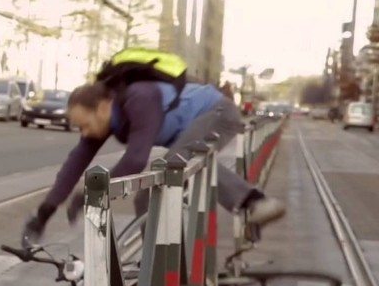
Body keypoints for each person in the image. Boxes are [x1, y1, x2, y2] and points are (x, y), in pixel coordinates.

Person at [23, 80, 286, 244]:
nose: (85, 133)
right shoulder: (104, 121)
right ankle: (163, 270)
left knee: (168, 171)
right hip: (192, 128)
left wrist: (89, 195)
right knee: (147, 195)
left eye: (85, 125)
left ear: (103, 107)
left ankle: (255, 203)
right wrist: (44, 212)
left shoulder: (139, 98)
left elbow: (136, 160)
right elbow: (74, 164)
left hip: (216, 112)